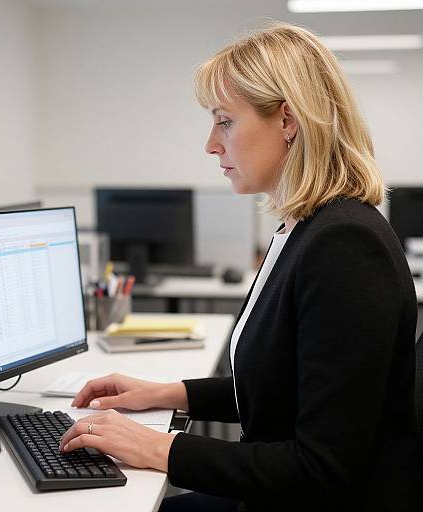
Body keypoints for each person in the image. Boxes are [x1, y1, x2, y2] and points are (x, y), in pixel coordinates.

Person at [59, 22, 419, 511]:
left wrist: (157, 447)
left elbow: (321, 468)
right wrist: (165, 393)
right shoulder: (304, 229)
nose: (211, 144)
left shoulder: (346, 245)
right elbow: (283, 388)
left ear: (288, 120)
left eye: (224, 121)